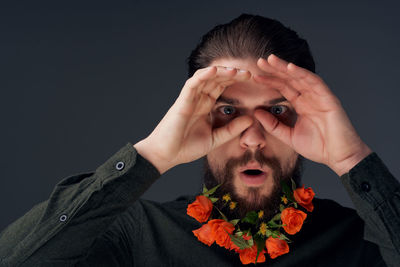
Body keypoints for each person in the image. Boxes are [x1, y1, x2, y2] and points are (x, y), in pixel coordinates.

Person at [0, 14, 399, 267]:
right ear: (193, 118)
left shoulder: (364, 241)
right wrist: (152, 154)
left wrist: (352, 157)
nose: (253, 139)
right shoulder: (137, 234)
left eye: (277, 111)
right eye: (228, 111)